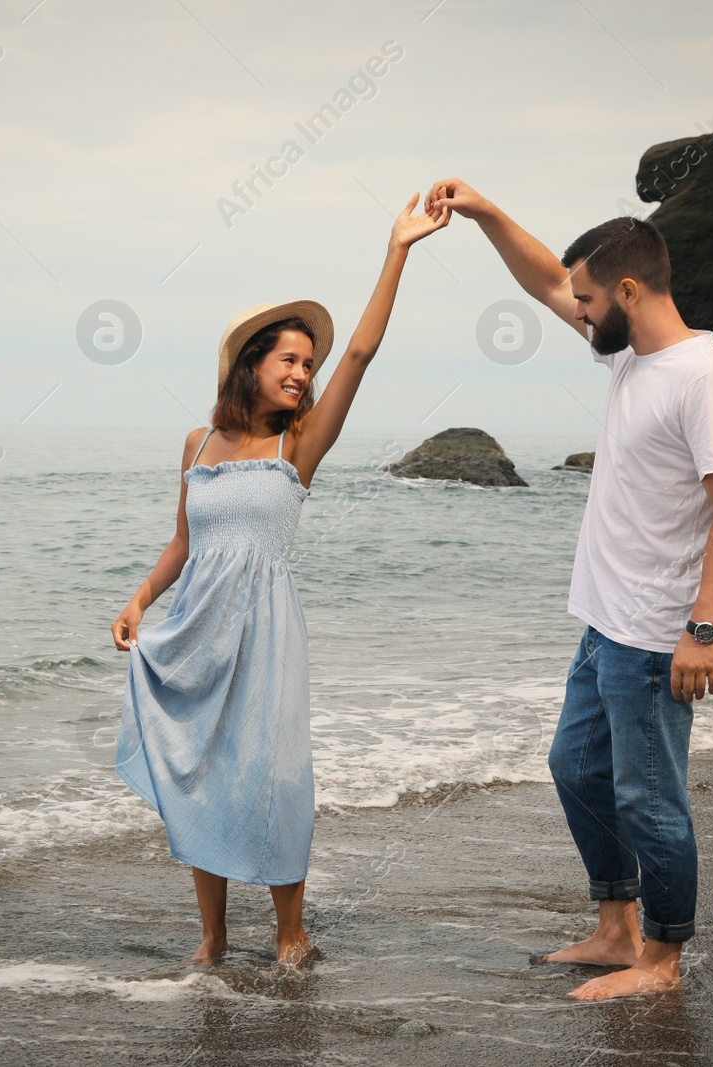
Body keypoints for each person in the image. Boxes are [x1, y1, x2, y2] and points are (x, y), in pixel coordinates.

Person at [424, 178, 713, 1000]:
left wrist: (703, 629)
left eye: (588, 298)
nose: (575, 310)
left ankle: (663, 960)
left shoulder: (702, 377)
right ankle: (617, 928)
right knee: (576, 768)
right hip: (606, 623)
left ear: (631, 292)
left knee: (651, 799)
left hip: (655, 636)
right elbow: (546, 275)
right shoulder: (632, 353)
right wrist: (485, 213)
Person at [111, 193, 450, 967]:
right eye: (289, 360)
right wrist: (137, 600)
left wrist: (397, 247)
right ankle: (213, 936)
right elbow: (183, 541)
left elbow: (359, 353)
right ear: (252, 365)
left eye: (308, 363)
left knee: (274, 776)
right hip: (198, 624)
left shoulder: (297, 444)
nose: (303, 373)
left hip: (265, 631)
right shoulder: (201, 439)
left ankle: (291, 932)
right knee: (202, 773)